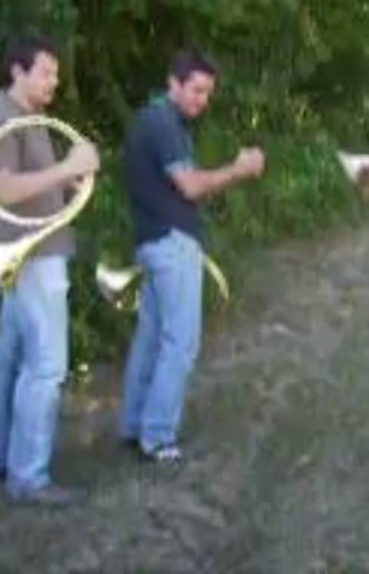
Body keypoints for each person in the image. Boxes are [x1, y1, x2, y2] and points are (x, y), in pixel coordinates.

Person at [0, 33, 100, 506]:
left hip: (35, 255)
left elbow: (39, 189)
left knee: (7, 358)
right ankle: (27, 477)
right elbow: (5, 190)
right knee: (45, 367)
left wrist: (72, 181)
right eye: (46, 72)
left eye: (56, 74)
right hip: (32, 258)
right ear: (17, 71)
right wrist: (67, 168)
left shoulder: (31, 119)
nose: (54, 81)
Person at [120, 49, 265, 464]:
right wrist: (238, 169)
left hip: (152, 243)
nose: (203, 100)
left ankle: (134, 426)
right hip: (170, 244)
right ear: (174, 82)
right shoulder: (163, 124)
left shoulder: (155, 120)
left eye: (207, 93)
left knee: (151, 339)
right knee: (181, 342)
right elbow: (191, 186)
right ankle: (158, 437)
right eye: (197, 90)